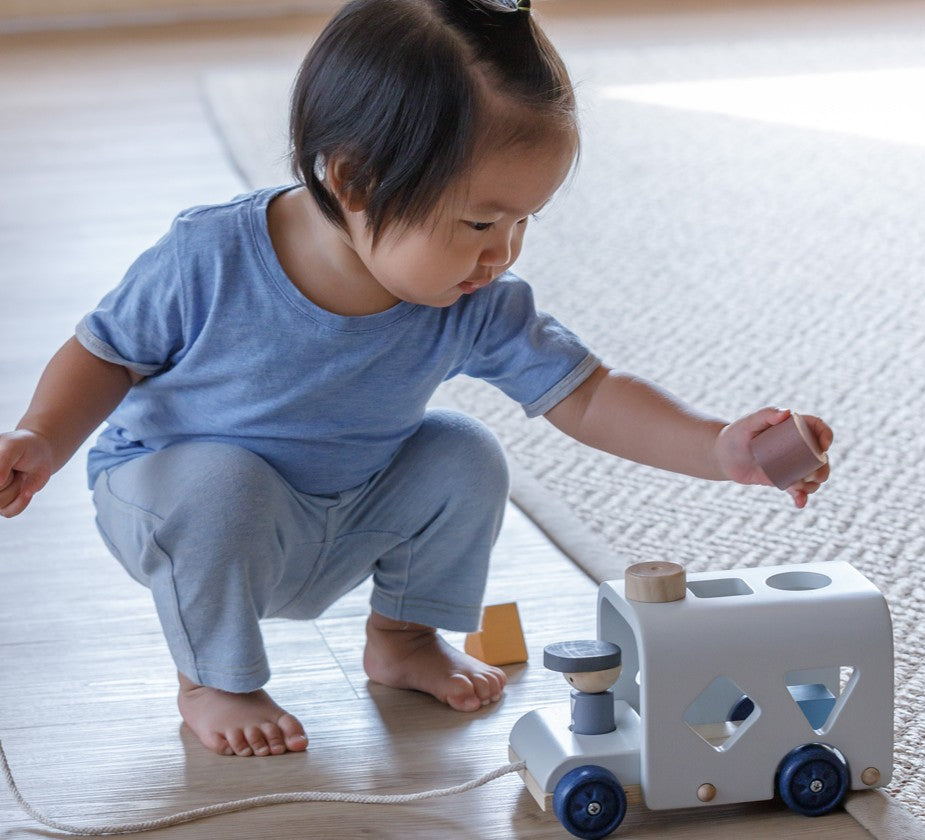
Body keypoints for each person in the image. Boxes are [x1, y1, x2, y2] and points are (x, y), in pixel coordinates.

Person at [0, 0, 831, 759]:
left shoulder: (472, 299)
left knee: (465, 453)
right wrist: (41, 435)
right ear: (354, 180)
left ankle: (402, 639)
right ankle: (212, 681)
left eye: (523, 222)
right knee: (222, 482)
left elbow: (589, 394)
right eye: (479, 221)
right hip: (179, 507)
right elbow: (105, 352)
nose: (502, 252)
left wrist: (717, 446)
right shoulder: (209, 257)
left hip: (338, 514)